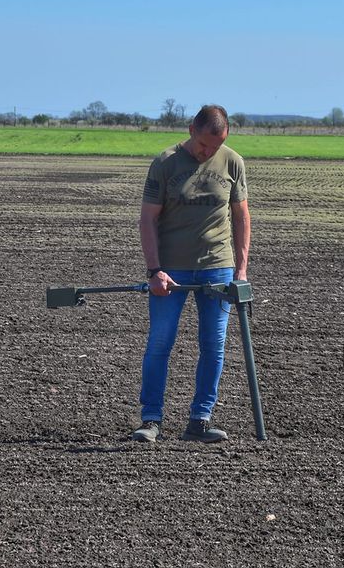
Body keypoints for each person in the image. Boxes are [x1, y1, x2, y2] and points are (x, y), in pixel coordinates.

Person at [133, 104, 250, 443]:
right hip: (172, 270)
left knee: (214, 345)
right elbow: (147, 219)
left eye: (215, 146)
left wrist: (240, 270)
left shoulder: (232, 162)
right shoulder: (165, 163)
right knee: (160, 342)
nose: (208, 152)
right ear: (190, 130)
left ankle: (200, 419)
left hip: (218, 266)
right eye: (203, 145)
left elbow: (241, 217)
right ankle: (151, 419)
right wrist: (155, 270)